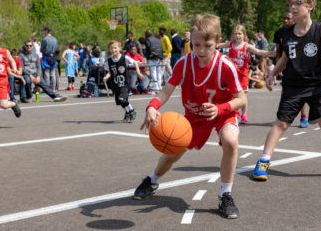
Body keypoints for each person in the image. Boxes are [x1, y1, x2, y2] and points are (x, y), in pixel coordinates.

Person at [133, 14, 246, 219]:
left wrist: (220, 109)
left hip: (222, 113)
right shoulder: (184, 64)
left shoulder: (225, 65)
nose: (201, 50)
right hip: (194, 117)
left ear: (218, 41)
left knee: (230, 141)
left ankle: (225, 194)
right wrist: (151, 106)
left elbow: (241, 99)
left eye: (207, 45)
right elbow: (166, 91)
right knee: (171, 151)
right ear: (190, 42)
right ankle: (152, 180)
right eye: (196, 45)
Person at [253, 0, 321, 181]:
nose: (293, 7)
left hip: (317, 86)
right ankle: (263, 161)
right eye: (291, 4)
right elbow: (284, 58)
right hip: (293, 86)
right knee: (281, 123)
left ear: (310, 6)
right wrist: (272, 73)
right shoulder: (286, 34)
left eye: (297, 3)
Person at [217, 24, 273, 124]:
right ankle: (233, 112)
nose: (237, 36)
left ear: (244, 35)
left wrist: (268, 53)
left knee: (242, 96)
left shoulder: (246, 46)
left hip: (242, 75)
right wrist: (210, 44)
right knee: (232, 95)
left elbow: (258, 51)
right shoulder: (230, 44)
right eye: (235, 34)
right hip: (232, 74)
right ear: (232, 35)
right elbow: (218, 45)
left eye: (239, 34)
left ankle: (244, 114)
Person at [273, 11, 308, 128]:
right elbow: (278, 52)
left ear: (294, 20)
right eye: (284, 18)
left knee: (301, 93)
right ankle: (284, 118)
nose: (285, 21)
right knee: (286, 92)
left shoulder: (299, 31)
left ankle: (303, 117)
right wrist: (278, 68)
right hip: (286, 66)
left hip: (299, 67)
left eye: (288, 19)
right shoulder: (279, 33)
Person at [102, 40, 140, 122]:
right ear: (109, 50)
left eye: (115, 48)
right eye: (111, 48)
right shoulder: (109, 61)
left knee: (122, 99)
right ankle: (127, 112)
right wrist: (106, 77)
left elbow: (135, 62)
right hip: (115, 84)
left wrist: (139, 73)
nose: (113, 50)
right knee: (120, 101)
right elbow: (109, 72)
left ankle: (132, 110)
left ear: (119, 48)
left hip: (124, 83)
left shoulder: (124, 57)